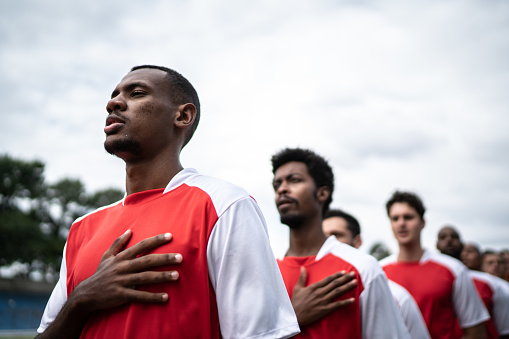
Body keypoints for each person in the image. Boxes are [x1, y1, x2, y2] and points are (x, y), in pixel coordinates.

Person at [36, 65, 300, 338]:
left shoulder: (225, 204)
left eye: (136, 93)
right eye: (114, 95)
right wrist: (81, 300)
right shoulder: (82, 228)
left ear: (183, 115)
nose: (113, 103)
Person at [271, 147, 410, 338]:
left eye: (294, 180)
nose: (282, 189)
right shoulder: (267, 272)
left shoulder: (362, 268)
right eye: (277, 184)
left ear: (322, 194)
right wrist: (292, 318)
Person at [380, 191, 489, 339]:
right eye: (395, 218)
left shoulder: (453, 269)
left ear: (423, 222)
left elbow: (475, 331)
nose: (401, 223)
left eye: (408, 217)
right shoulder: (379, 271)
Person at [323, 208, 430, 339]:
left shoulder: (396, 296)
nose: (328, 244)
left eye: (337, 235)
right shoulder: (301, 293)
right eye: (323, 237)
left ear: (357, 241)